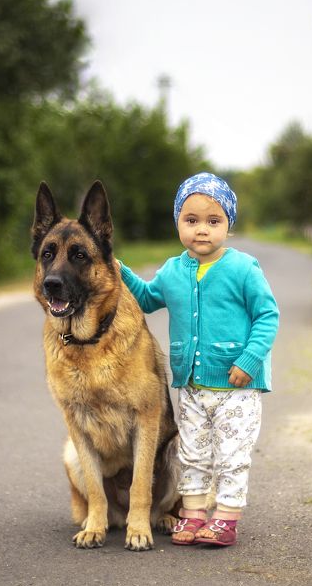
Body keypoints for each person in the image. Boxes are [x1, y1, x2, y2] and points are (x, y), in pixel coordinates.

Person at [119, 172, 280, 547]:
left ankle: (225, 518)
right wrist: (118, 268)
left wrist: (251, 359)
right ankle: (192, 516)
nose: (202, 230)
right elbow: (145, 299)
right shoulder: (173, 271)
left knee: (231, 455)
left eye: (213, 221)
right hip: (191, 387)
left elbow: (267, 315)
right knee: (192, 453)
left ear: (229, 225)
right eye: (191, 221)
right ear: (177, 222)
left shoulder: (242, 268)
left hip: (237, 387)